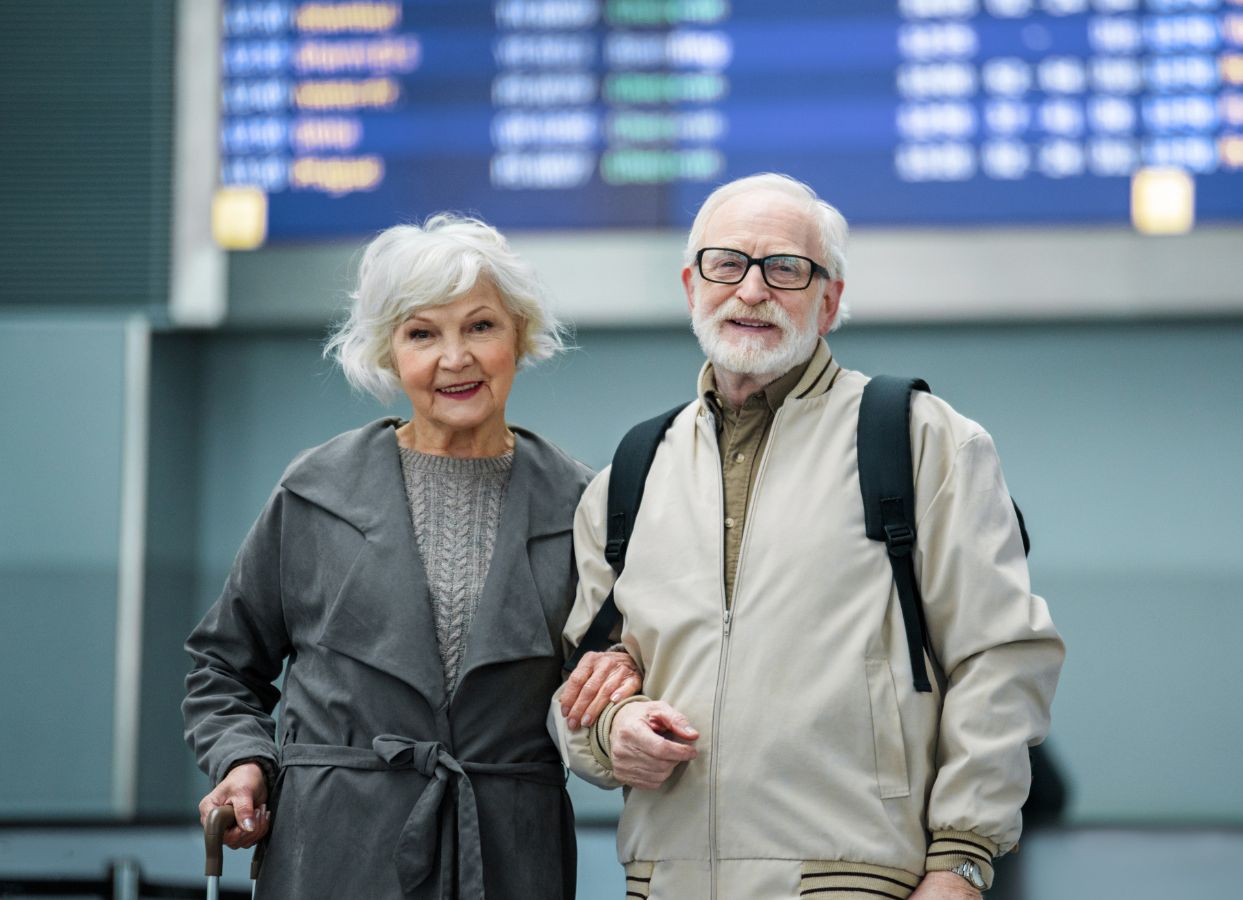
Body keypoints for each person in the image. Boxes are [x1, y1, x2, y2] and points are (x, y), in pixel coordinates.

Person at [552, 174, 1065, 899]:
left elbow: (1001, 659)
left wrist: (961, 864)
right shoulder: (628, 476)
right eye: (725, 263)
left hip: (856, 881)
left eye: (786, 269)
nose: (752, 291)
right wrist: (614, 729)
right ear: (690, 286)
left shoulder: (920, 440)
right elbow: (577, 693)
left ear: (828, 302)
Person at [183, 214, 636, 900]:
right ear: (389, 355)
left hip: (507, 857)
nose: (455, 358)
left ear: (519, 335)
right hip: (332, 853)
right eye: (423, 333)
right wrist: (243, 759)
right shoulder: (316, 491)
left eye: (481, 327)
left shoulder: (584, 505)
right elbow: (222, 666)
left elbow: (613, 673)